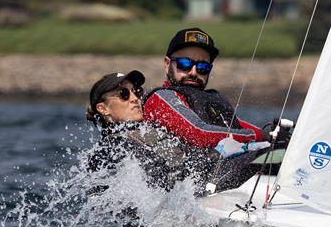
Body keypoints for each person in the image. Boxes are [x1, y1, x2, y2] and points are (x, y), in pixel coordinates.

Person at [86, 70, 268, 194]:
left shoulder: (147, 129)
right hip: (186, 203)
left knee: (272, 150)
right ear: (103, 109)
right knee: (270, 154)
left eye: (137, 91)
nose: (135, 99)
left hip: (203, 184)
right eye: (124, 94)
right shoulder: (110, 149)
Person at [142, 27, 270, 159]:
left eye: (203, 67)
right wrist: (257, 136)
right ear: (167, 63)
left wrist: (272, 134)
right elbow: (197, 133)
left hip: (223, 173)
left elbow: (238, 127)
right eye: (185, 64)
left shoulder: (210, 101)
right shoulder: (161, 99)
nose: (193, 72)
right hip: (183, 178)